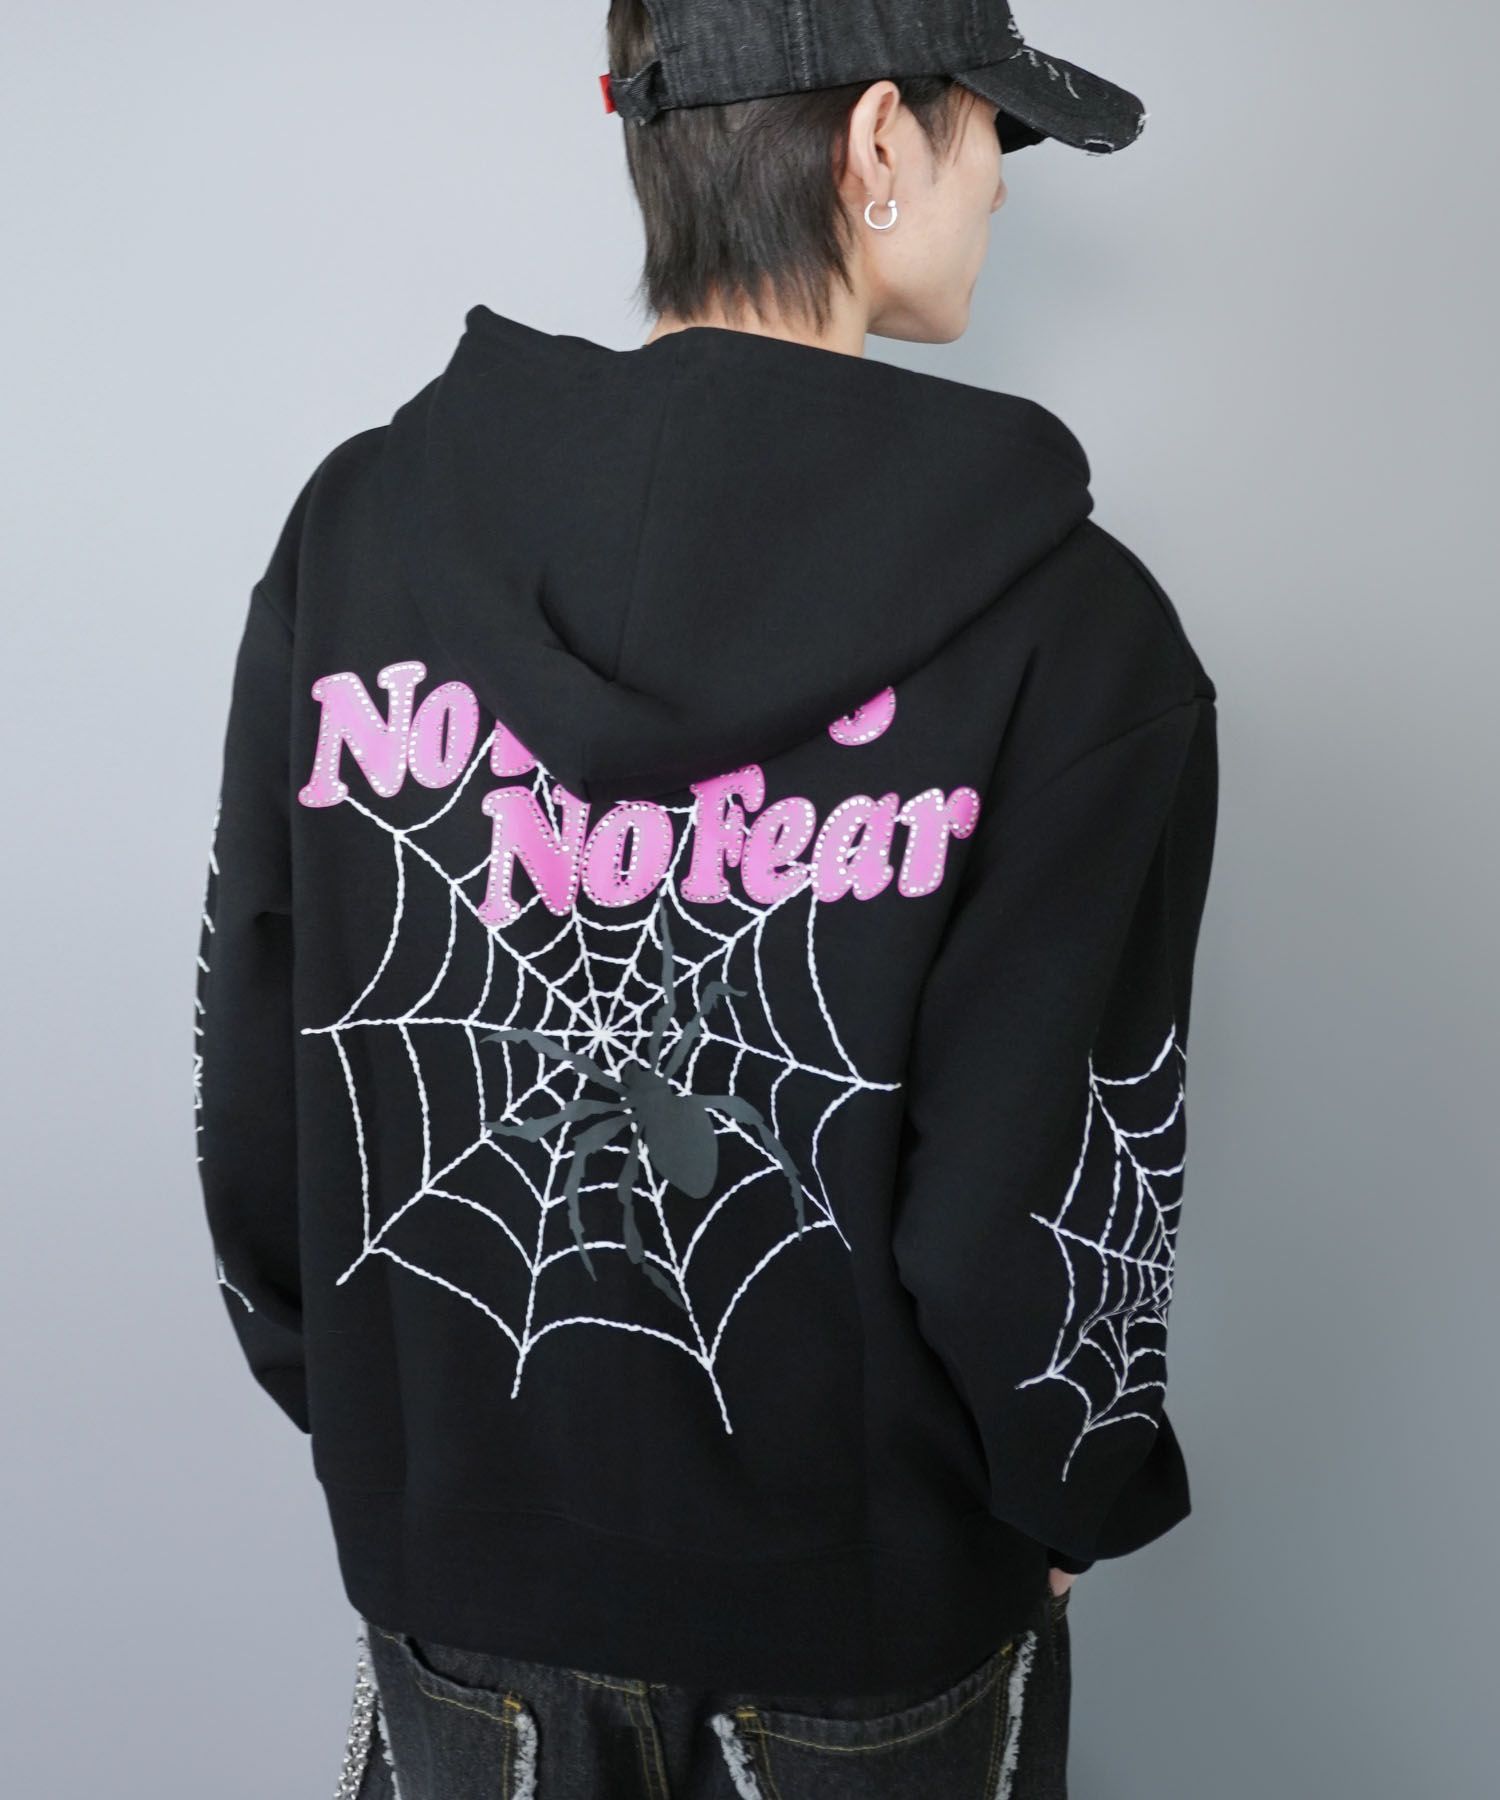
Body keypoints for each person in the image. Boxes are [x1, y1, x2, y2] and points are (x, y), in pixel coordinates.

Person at [193, 3, 1219, 1795]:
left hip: (458, 1594)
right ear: (880, 141)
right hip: (870, 1632)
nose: (1001, 186)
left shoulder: (356, 540)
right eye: (992, 131)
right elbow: (1042, 1177)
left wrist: (404, 1442)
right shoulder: (1080, 633)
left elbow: (262, 1091)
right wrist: (1074, 1487)